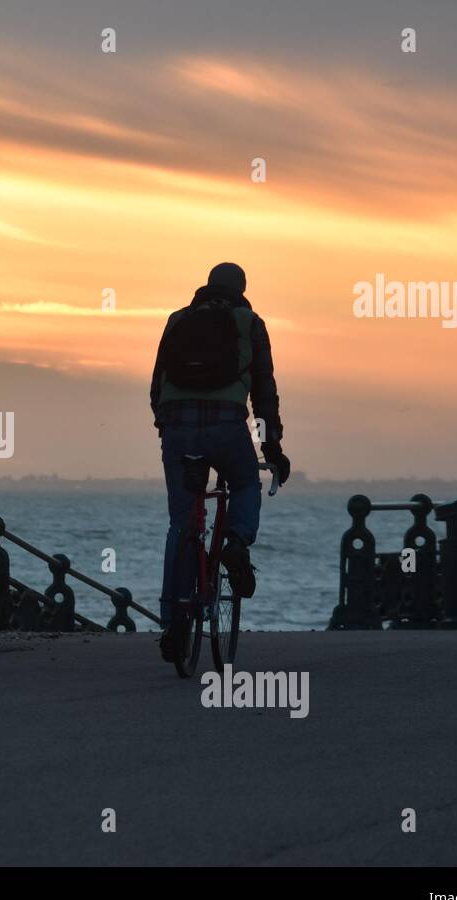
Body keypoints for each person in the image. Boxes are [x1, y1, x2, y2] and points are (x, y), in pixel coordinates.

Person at [149, 262, 290, 662]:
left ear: (207, 286)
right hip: (227, 426)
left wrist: (166, 426)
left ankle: (173, 620)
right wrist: (272, 448)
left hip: (177, 427)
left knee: (181, 524)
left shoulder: (178, 319)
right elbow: (265, 392)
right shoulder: (250, 322)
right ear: (242, 289)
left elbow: (157, 382)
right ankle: (236, 544)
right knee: (245, 484)